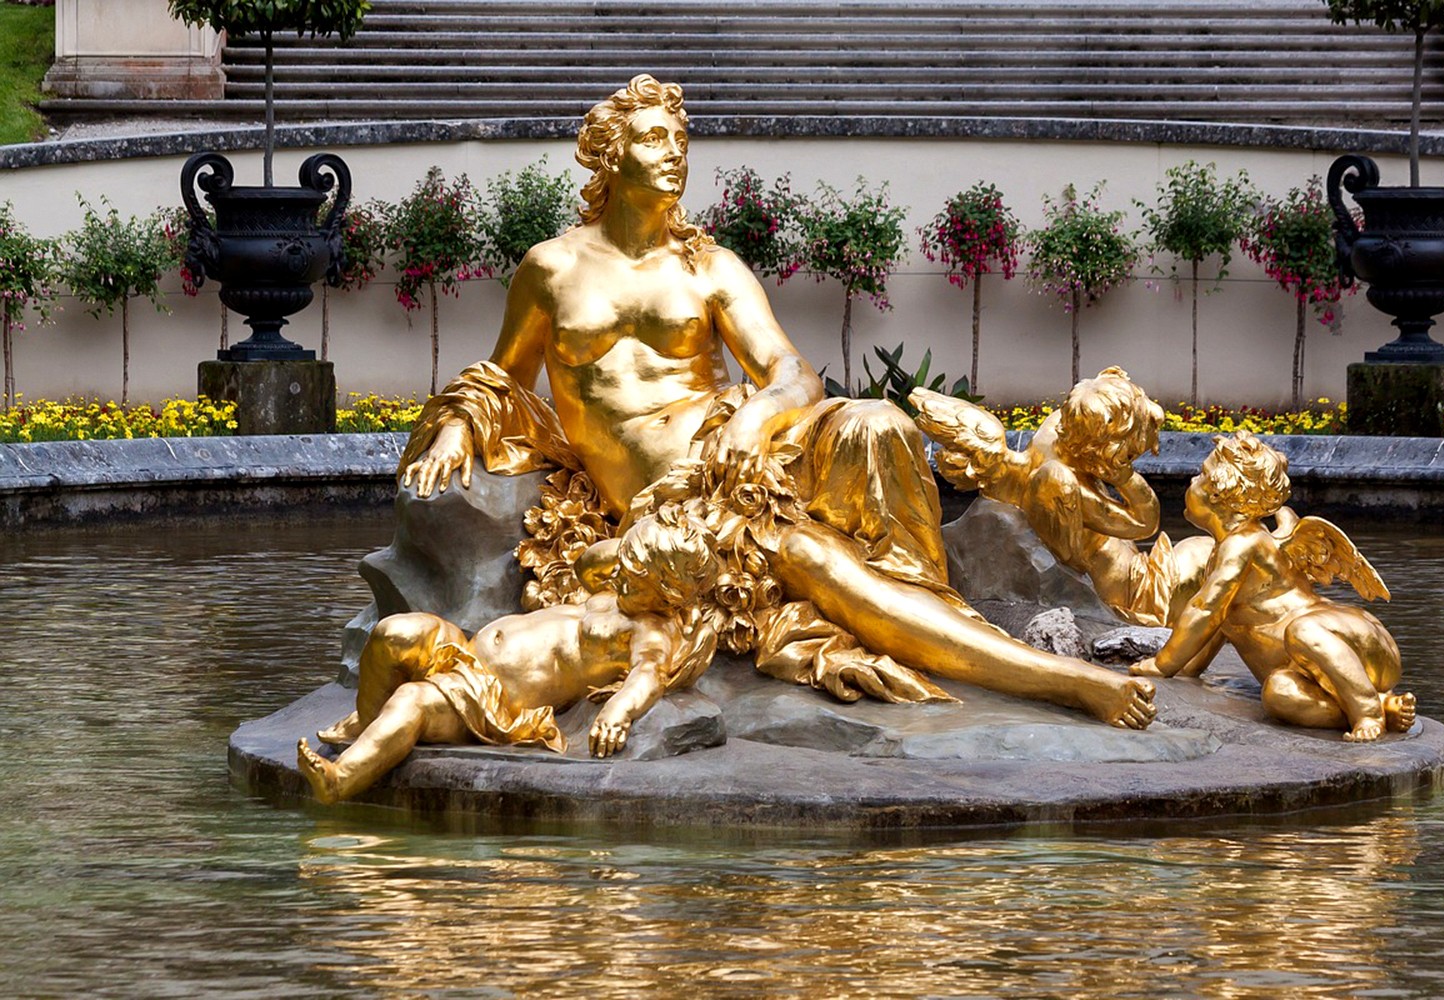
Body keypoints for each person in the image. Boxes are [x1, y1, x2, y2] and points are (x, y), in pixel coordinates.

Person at [390, 74, 1155, 729]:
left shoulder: (712, 269)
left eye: (679, 141)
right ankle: (1061, 680)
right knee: (817, 563)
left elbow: (794, 374)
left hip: (748, 453)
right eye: (655, 139)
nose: (674, 153)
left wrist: (758, 411)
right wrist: (461, 420)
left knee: (879, 420)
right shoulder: (549, 269)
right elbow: (501, 376)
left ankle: (932, 611)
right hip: (677, 506)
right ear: (609, 152)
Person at [299, 507, 722, 804]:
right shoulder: (617, 590)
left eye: (637, 575)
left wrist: (620, 712)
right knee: (396, 632)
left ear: (669, 594)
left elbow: (648, 675)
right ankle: (369, 721)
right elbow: (588, 566)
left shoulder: (650, 631)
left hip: (491, 700)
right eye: (627, 564)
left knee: (412, 701)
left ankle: (342, 779)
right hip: (466, 651)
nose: (622, 573)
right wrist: (635, 542)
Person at [1130, 432, 1416, 742]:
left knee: (1302, 632)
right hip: (1309, 673)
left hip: (1352, 644)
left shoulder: (1245, 543)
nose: (1191, 480)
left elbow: (1206, 610)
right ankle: (1383, 706)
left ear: (1218, 494)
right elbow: (1219, 622)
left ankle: (1367, 711)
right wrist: (1186, 670)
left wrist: (1163, 664)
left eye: (1201, 475)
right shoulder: (1223, 551)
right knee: (1278, 694)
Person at [912, 367, 1214, 629]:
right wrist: (1122, 476)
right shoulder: (1060, 485)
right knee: (1207, 557)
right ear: (1105, 447)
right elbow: (1145, 523)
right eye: (1130, 452)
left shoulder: (1057, 429)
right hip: (1136, 594)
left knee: (1209, 554)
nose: (1133, 458)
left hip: (1139, 566)